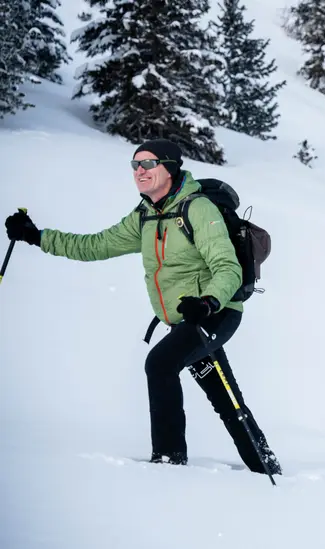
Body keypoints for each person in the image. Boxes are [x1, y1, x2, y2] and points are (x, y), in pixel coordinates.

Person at [4, 138, 280, 476]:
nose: (139, 171)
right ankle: (266, 466)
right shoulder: (146, 216)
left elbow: (227, 267)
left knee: (161, 364)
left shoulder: (197, 209)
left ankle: (169, 461)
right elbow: (95, 245)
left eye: (148, 164)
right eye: (135, 164)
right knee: (224, 397)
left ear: (170, 167)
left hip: (216, 312)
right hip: (187, 320)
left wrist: (207, 302)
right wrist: (37, 236)